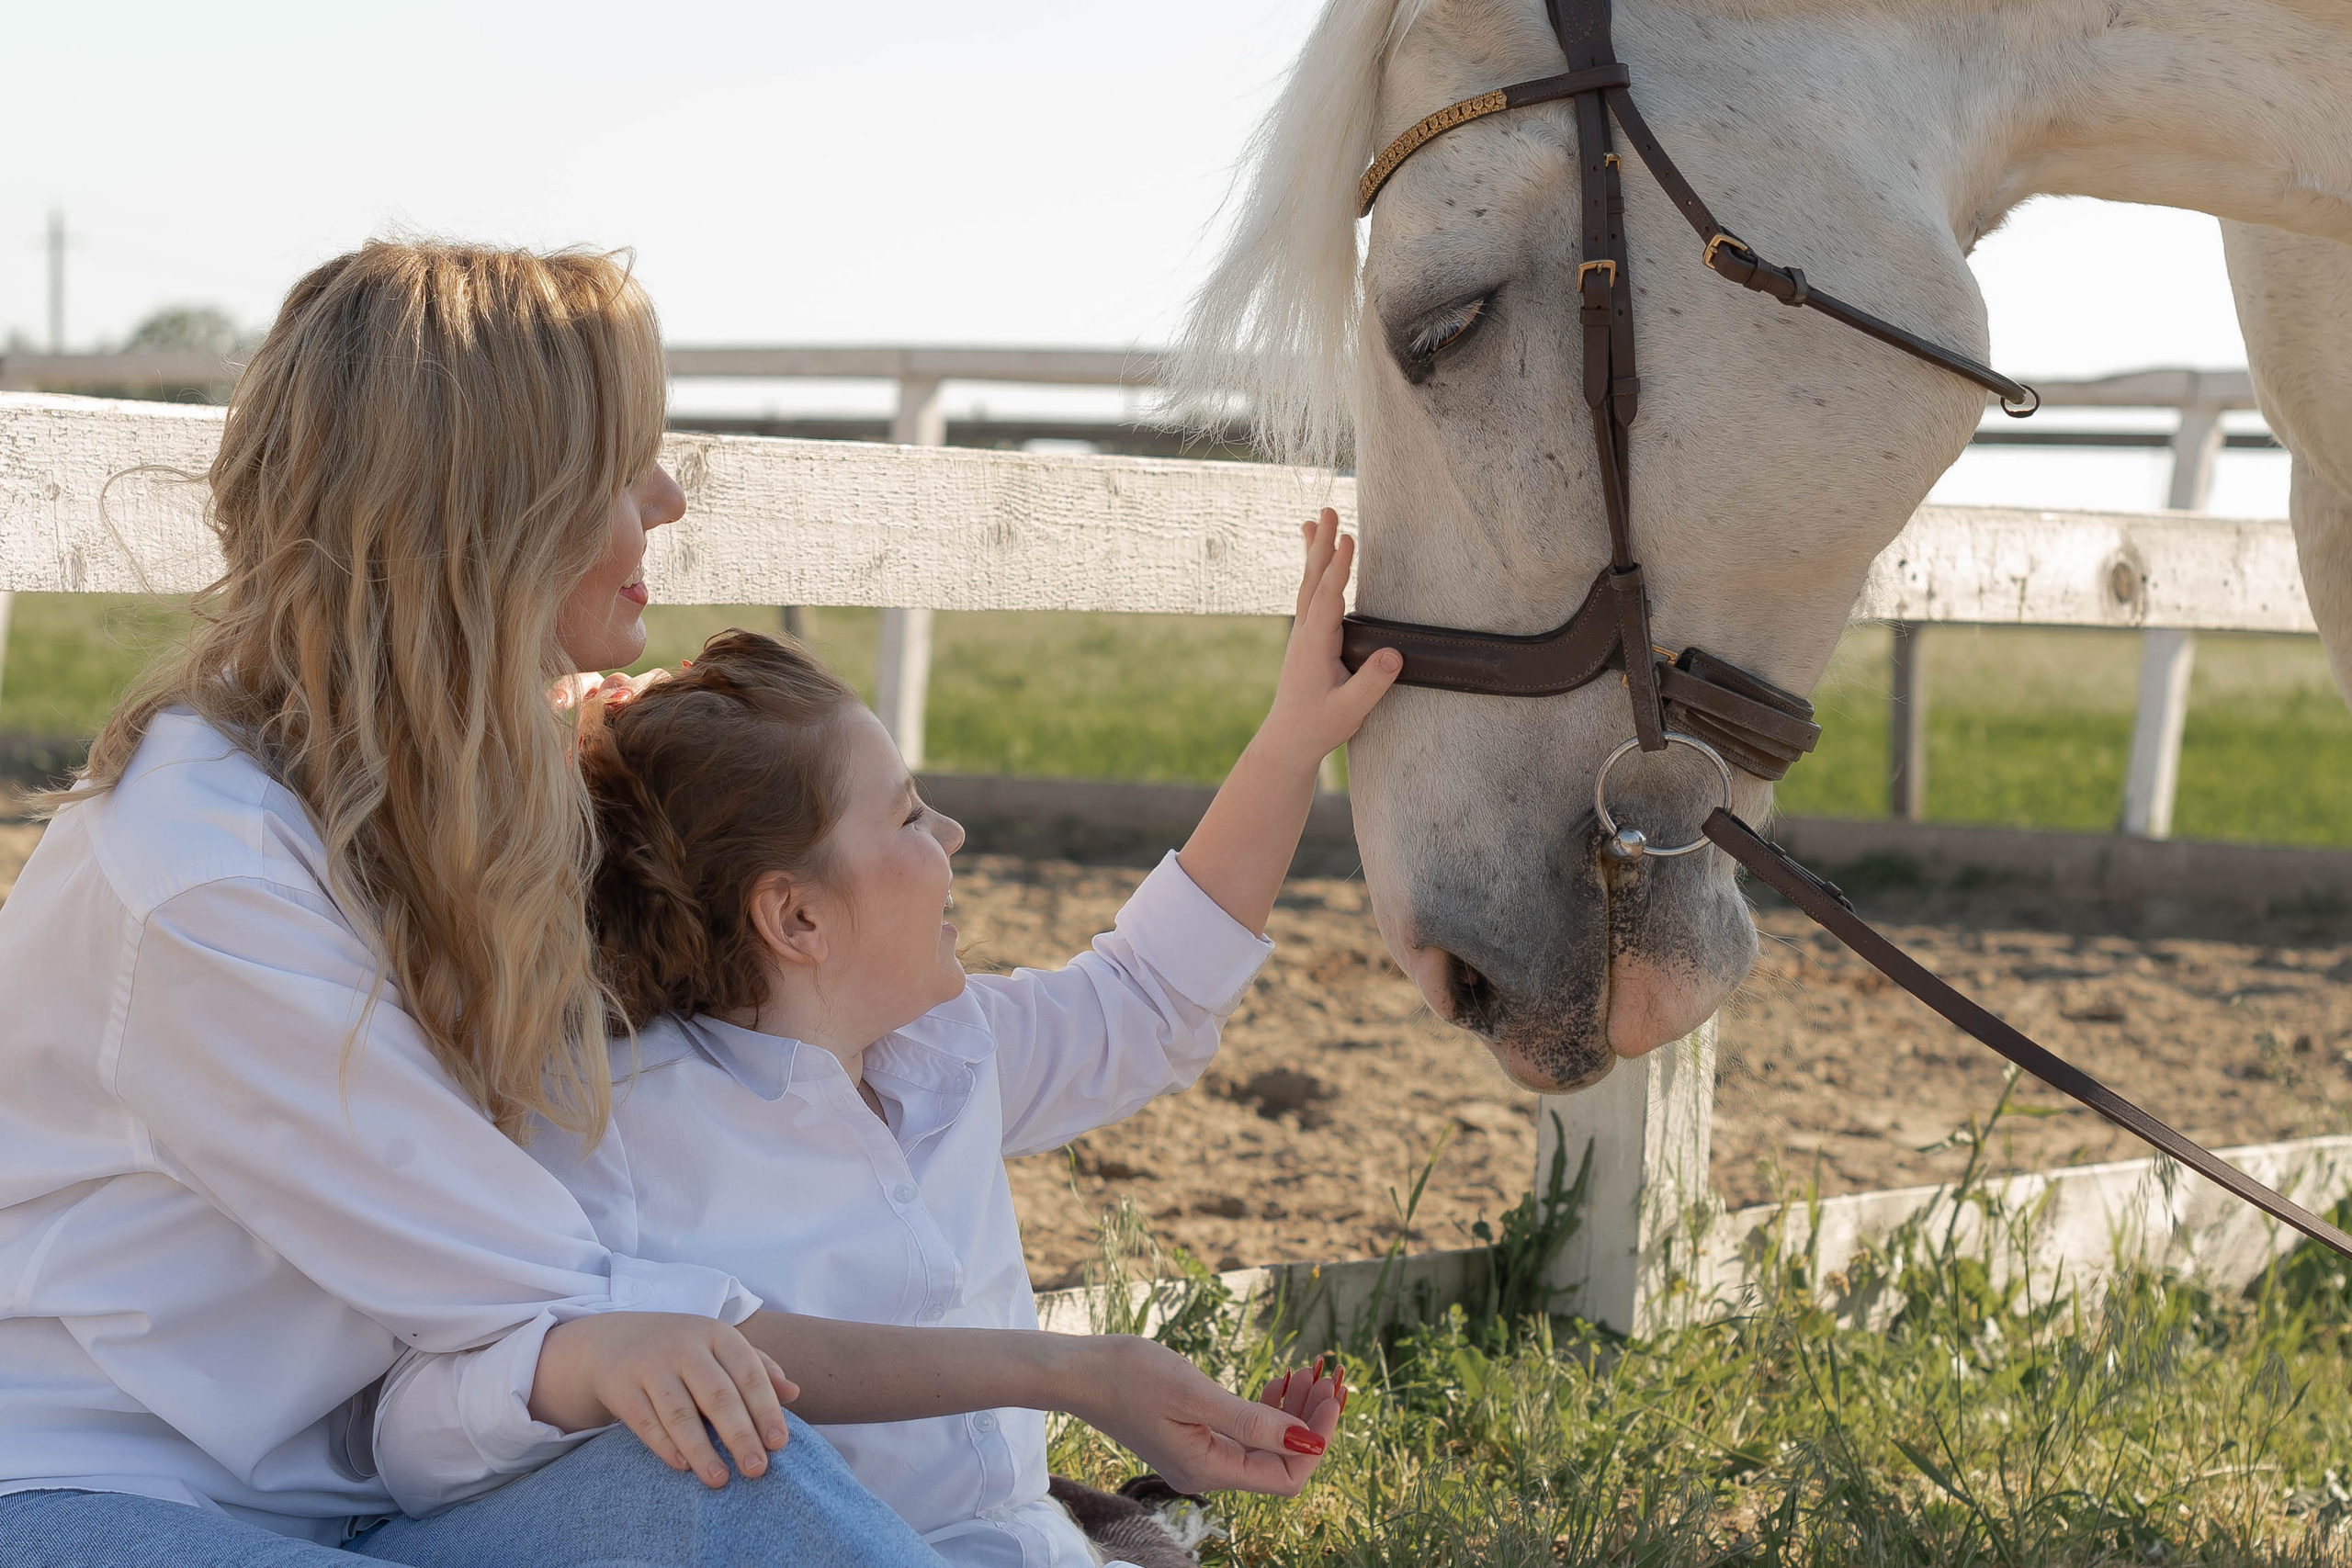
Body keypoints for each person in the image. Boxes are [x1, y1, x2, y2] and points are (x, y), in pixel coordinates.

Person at [1, 241, 944, 1567]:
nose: (667, 498)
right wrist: (1077, 1374)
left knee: (743, 1483)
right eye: (623, 466)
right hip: (98, 1495)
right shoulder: (205, 875)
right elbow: (556, 1292)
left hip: (391, 1498)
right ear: (496, 512)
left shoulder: (467, 796)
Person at [375, 511, 1398, 1565]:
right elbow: (427, 1430)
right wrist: (600, 1367)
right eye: (909, 817)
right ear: (797, 920)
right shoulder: (616, 1123)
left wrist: (1292, 738)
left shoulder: (948, 1048)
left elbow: (1146, 998)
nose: (951, 836)